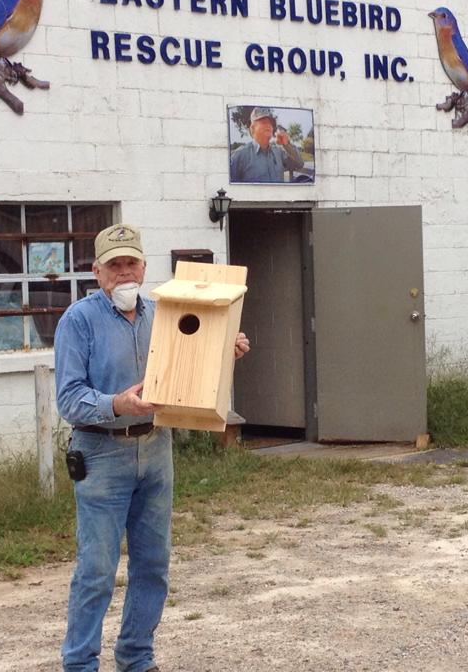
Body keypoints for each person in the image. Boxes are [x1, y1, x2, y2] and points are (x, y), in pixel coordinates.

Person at [55, 223, 249, 672]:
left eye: (132, 264)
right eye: (114, 266)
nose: (125, 274)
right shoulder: (78, 321)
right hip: (101, 453)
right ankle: (80, 664)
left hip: (156, 449)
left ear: (144, 267)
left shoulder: (162, 311)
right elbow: (68, 399)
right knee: (97, 571)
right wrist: (116, 403)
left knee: (154, 564)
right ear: (97, 270)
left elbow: (190, 359)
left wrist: (226, 350)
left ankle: (136, 658)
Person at [229, 107, 305, 183]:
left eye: (270, 122)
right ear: (252, 129)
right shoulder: (239, 156)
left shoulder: (279, 152)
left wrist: (286, 144)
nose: (268, 125)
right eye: (263, 122)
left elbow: (299, 164)